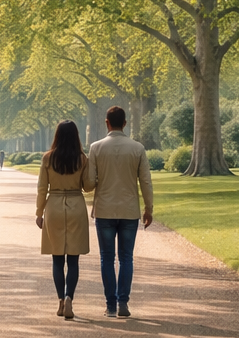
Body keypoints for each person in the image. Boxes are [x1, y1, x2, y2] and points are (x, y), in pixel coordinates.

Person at [86, 105, 154, 318]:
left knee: (107, 258)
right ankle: (123, 301)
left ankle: (111, 305)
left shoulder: (96, 148)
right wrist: (148, 208)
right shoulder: (137, 148)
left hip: (105, 209)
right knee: (126, 257)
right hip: (129, 209)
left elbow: (88, 184)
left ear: (106, 122)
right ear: (125, 123)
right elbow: (145, 181)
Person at [35, 120, 92, 320]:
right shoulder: (81, 159)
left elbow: (42, 188)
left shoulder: (48, 158)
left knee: (57, 259)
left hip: (55, 205)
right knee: (74, 259)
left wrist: (39, 212)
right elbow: (88, 186)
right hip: (76, 204)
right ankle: (69, 297)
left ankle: (60, 299)